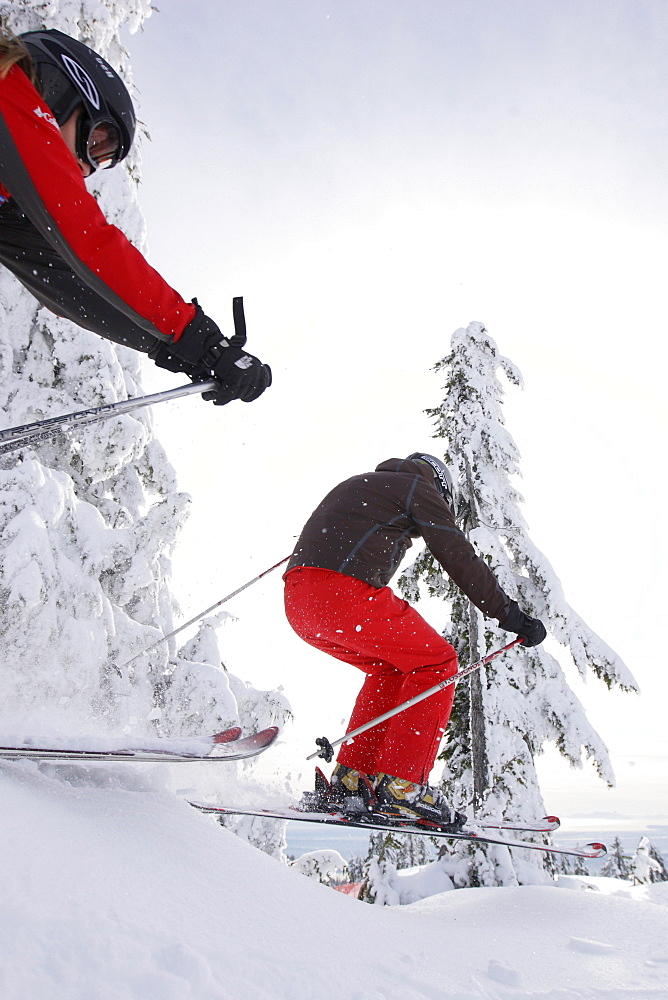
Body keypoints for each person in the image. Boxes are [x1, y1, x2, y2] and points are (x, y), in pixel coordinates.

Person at [0, 28, 271, 406]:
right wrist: (198, 338)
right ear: (60, 86)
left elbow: (61, 277)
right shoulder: (9, 92)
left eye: (101, 160)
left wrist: (178, 348)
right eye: (98, 142)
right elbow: (88, 241)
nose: (85, 167)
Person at [284, 454, 547, 828]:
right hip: (343, 594)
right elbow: (457, 553)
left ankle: (352, 780)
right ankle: (405, 787)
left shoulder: (365, 484)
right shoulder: (418, 488)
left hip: (300, 601)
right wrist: (508, 614)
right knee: (437, 663)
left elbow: (333, 529)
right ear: (440, 486)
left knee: (390, 671)